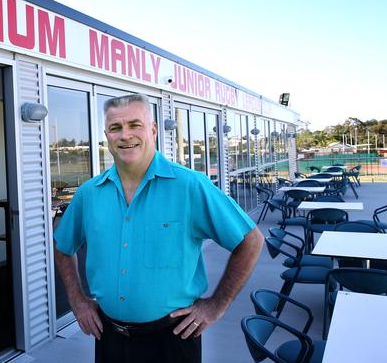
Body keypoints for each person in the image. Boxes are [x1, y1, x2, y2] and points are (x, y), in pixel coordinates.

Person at [54, 94, 264, 363]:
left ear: (152, 130)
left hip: (172, 339)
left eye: (135, 125)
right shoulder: (89, 194)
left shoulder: (190, 186)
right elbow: (63, 247)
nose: (125, 135)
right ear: (106, 135)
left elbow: (250, 240)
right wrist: (77, 300)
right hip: (109, 338)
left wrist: (216, 306)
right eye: (116, 128)